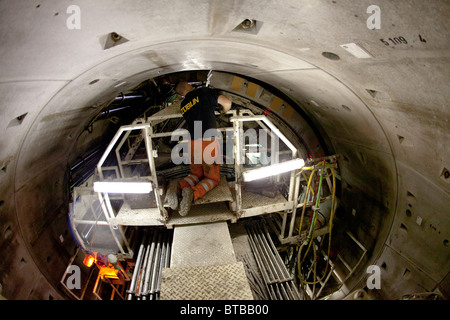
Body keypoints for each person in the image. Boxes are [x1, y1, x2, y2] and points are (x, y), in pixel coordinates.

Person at [168, 80, 232, 216]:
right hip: (208, 141)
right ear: (188, 85)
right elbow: (227, 103)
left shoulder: (183, 105)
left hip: (192, 143)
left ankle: (178, 188)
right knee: (213, 178)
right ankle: (193, 193)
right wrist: (224, 111)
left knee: (196, 174)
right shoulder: (203, 92)